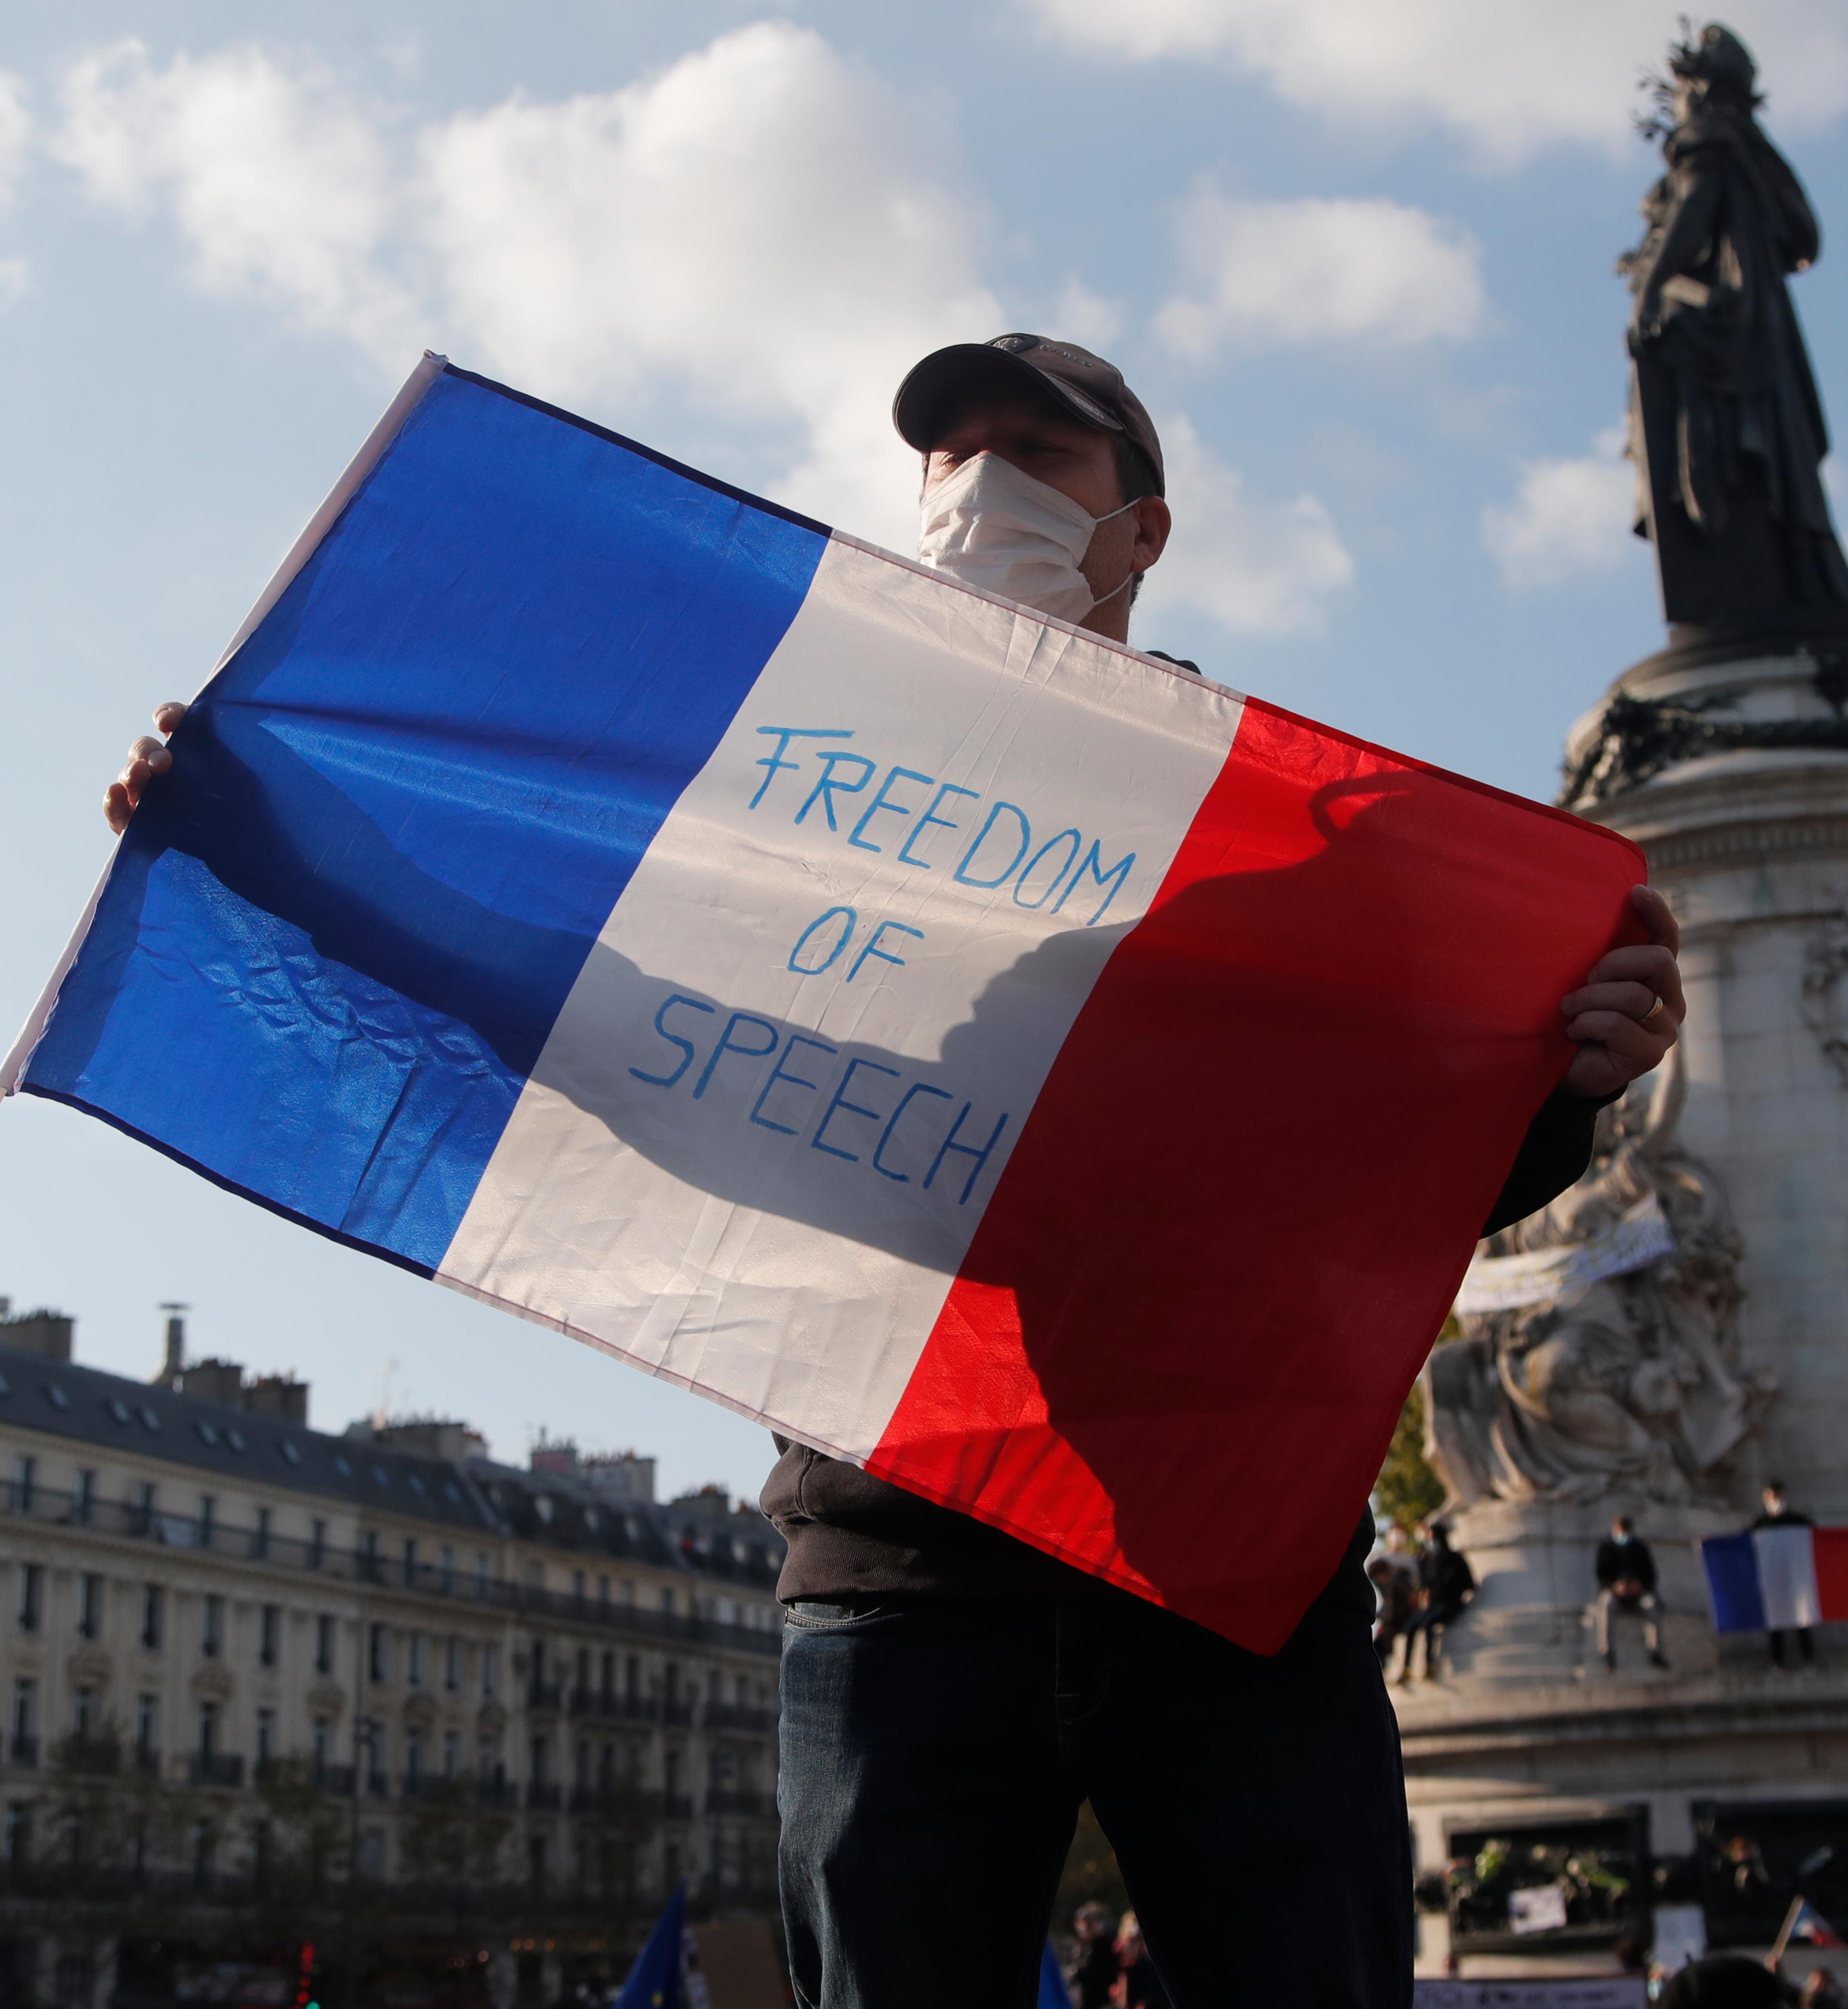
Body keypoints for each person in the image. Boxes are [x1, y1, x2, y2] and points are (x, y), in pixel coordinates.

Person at [112, 333, 1693, 2009]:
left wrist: (1572, 1084)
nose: (977, 483)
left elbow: (1387, 1182)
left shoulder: (1303, 851)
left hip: (1218, 1562)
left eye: (1034, 452)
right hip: (906, 1559)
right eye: (949, 456)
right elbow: (596, 1005)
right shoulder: (801, 821)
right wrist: (271, 837)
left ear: (1139, 532)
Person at [1591, 1512, 1670, 1672]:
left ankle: (1656, 1652)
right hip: (1614, 1592)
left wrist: (1639, 1586)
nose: (1623, 1536)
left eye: (1626, 1532)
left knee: (1651, 1605)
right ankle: (1607, 1654)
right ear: (1614, 1530)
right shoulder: (1606, 1548)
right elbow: (1601, 1575)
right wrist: (1615, 1587)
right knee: (1606, 1604)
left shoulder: (1640, 1548)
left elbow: (1651, 1575)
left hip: (1638, 1593)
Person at [1751, 1481, 1815, 1667]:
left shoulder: (1797, 1521)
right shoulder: (1761, 1524)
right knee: (1775, 1621)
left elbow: (1816, 1538)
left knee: (1803, 1618)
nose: (1775, 1502)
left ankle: (1809, 1659)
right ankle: (1777, 1661)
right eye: (1771, 1498)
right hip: (1773, 1580)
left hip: (1796, 1579)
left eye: (1777, 1497)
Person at [1414, 1518, 1477, 1680]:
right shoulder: (1428, 1560)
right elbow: (1424, 1584)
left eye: (1432, 1537)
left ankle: (1429, 1665)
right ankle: (1408, 1668)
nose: (1430, 1542)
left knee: (1428, 1624)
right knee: (1412, 1626)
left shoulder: (1455, 1559)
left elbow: (1469, 1585)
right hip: (1434, 1606)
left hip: (1451, 1604)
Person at [1058, 1902, 1118, 2009]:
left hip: (1102, 2001)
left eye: (1089, 1924)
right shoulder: (1081, 1947)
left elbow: (1098, 1970)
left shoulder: (1103, 1944)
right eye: (1082, 1924)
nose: (1085, 1928)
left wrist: (1076, 1973)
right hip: (1085, 2001)